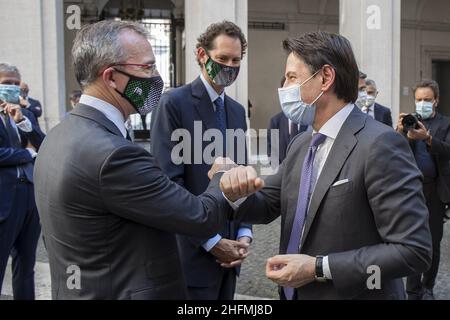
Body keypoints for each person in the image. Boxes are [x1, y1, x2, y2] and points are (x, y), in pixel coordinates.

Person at [33, 20, 261, 300]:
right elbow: (192, 210)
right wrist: (221, 180)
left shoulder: (58, 136)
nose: (156, 76)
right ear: (111, 77)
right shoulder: (114, 154)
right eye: (147, 67)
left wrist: (244, 230)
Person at [218, 31, 432, 300]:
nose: (284, 86)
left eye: (292, 77)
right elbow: (265, 202)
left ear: (325, 78)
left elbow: (413, 251)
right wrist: (232, 188)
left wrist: (319, 268)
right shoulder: (300, 144)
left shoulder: (380, 144)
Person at [151, 21, 252, 300]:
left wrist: (244, 233)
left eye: (235, 60)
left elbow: (240, 178)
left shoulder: (236, 111)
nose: (229, 67)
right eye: (222, 59)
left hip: (230, 258)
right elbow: (168, 187)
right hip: (191, 257)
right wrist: (212, 242)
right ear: (201, 55)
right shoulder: (174, 103)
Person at [396, 79, 450, 300]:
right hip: (410, 191)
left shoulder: (446, 124)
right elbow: (393, 153)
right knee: (410, 241)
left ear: (436, 100)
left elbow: (448, 150)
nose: (422, 103)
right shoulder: (408, 122)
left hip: (434, 191)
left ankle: (428, 287)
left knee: (433, 242)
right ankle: (412, 290)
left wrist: (427, 138)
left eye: (427, 100)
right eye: (419, 100)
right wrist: (400, 133)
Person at [0, 63, 44, 300]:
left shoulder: (25, 114)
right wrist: (27, 154)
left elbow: (42, 144)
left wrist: (22, 123)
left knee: (26, 266)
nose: (12, 87)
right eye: (6, 83)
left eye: (15, 84)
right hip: (4, 198)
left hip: (30, 196)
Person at [268, 76, 309, 164]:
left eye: (293, 91)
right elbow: (272, 154)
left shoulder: (309, 119)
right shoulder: (275, 122)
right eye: (286, 91)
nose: (290, 95)